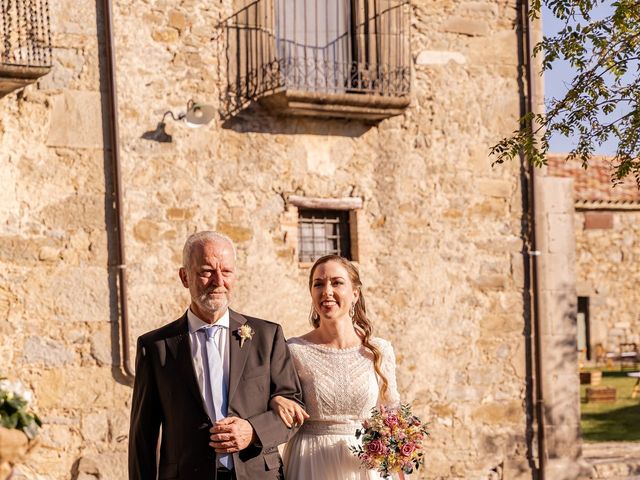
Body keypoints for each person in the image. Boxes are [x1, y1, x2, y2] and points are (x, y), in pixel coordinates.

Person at [128, 231, 303, 480]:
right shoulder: (155, 346)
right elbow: (142, 437)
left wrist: (253, 431)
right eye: (206, 271)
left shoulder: (267, 336)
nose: (218, 281)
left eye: (227, 272)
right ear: (184, 277)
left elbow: (293, 410)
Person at [270, 255, 400, 480]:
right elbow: (272, 396)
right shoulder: (293, 350)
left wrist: (397, 463)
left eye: (337, 282)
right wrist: (275, 399)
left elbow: (391, 416)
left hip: (365, 466)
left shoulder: (379, 350)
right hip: (310, 461)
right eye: (318, 284)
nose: (326, 291)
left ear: (355, 293)